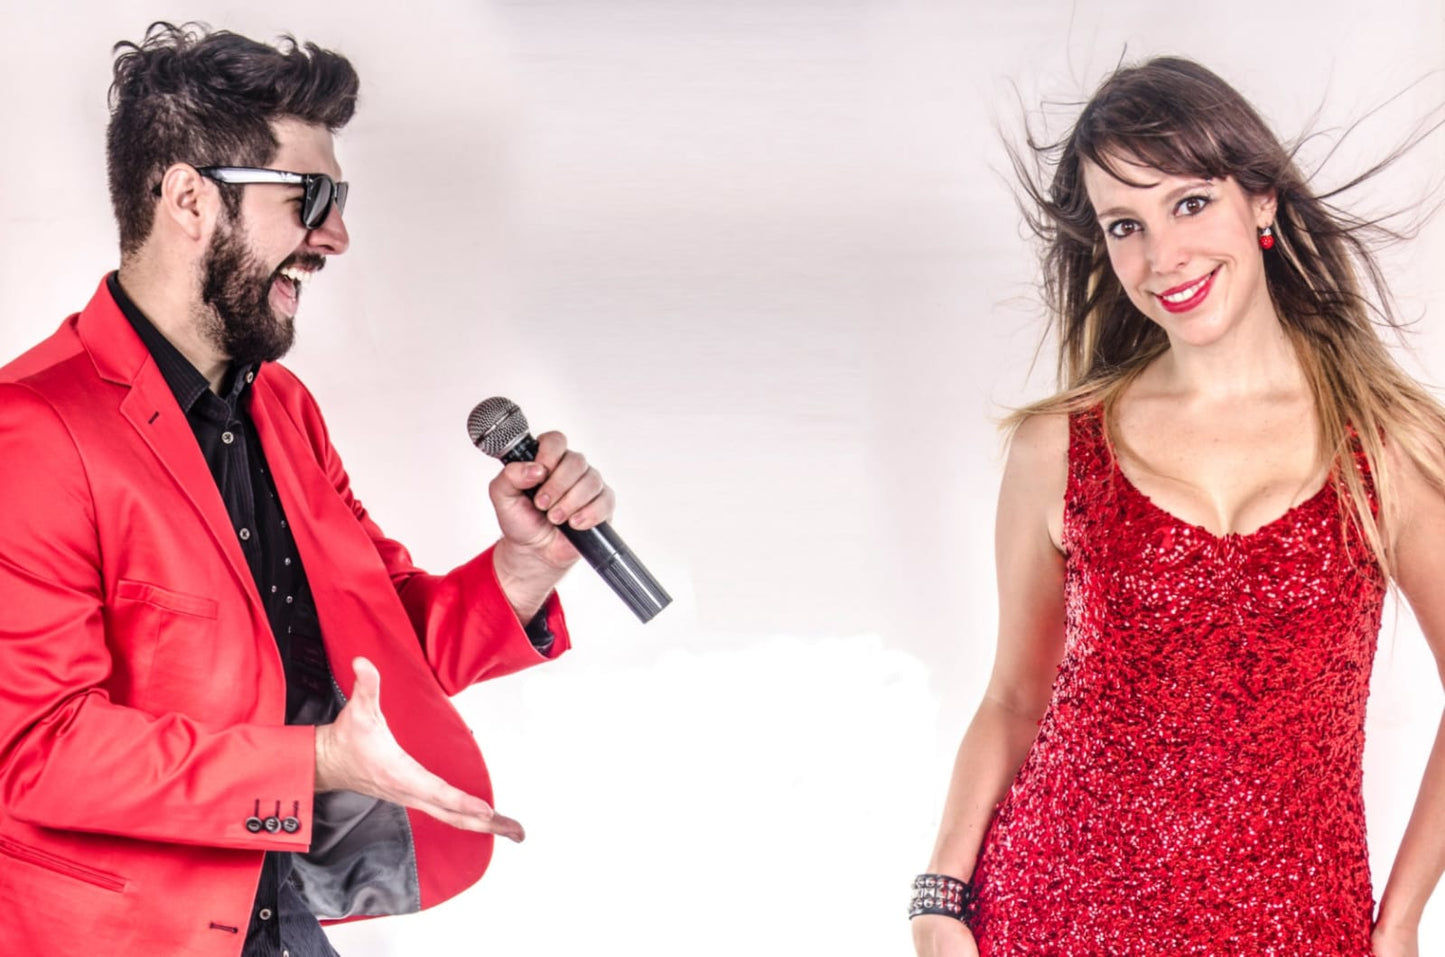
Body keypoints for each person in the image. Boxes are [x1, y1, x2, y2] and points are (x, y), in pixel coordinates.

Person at [0, 22, 614, 957]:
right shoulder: (33, 429)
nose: (336, 235)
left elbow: (376, 653)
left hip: (273, 913)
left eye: (339, 200)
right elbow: (37, 750)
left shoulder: (283, 409)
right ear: (190, 199)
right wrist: (315, 760)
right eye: (309, 197)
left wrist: (523, 569)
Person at [911, 57, 1445, 956]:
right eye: (1126, 225)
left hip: (1297, 932)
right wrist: (937, 900)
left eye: (1189, 203)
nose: (1163, 258)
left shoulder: (1386, 449)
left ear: (1261, 199)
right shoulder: (1058, 446)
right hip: (1046, 918)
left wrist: (1399, 921)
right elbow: (1012, 696)